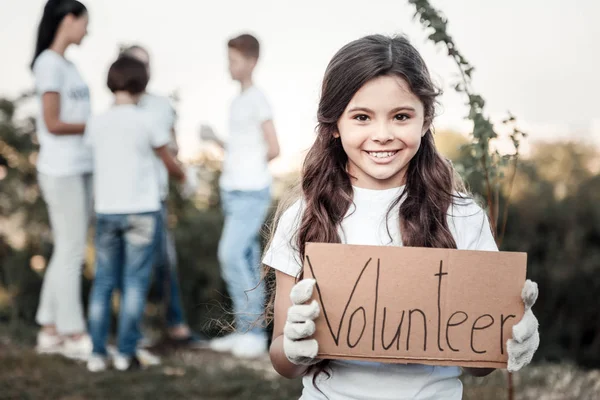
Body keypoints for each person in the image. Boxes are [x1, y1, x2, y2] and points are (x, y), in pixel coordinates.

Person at [262, 35, 540, 399]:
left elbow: (479, 364)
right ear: (334, 124)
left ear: (425, 121)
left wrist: (509, 336)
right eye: (362, 117)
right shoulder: (305, 215)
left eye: (401, 117)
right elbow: (282, 360)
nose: (382, 135)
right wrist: (295, 347)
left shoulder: (462, 216)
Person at [84, 56, 188, 372]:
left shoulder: (96, 122)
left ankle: (97, 353)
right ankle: (126, 352)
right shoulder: (146, 120)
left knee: (103, 281)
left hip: (106, 210)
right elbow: (168, 159)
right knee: (134, 282)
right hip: (142, 210)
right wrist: (184, 177)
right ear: (141, 85)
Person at [201, 33, 280, 358]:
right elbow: (241, 148)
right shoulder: (236, 101)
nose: (229, 66)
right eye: (228, 59)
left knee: (230, 254)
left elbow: (274, 148)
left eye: (234, 60)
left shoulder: (258, 99)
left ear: (251, 61)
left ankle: (252, 331)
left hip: (251, 191)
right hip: (232, 190)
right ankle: (248, 331)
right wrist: (216, 140)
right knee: (245, 260)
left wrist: (247, 169)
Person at [119, 44, 204, 348]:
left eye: (146, 63)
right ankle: (134, 331)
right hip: (122, 198)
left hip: (154, 196)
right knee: (128, 267)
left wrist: (174, 161)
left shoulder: (160, 105)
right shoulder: (119, 107)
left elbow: (173, 145)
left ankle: (175, 326)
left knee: (165, 264)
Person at [31, 0, 93, 360]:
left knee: (66, 248)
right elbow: (52, 123)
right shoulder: (48, 64)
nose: (87, 30)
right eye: (85, 22)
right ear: (68, 19)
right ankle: (73, 332)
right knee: (71, 251)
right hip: (61, 170)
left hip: (79, 167)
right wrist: (97, 127)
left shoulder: (69, 65)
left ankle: (49, 327)